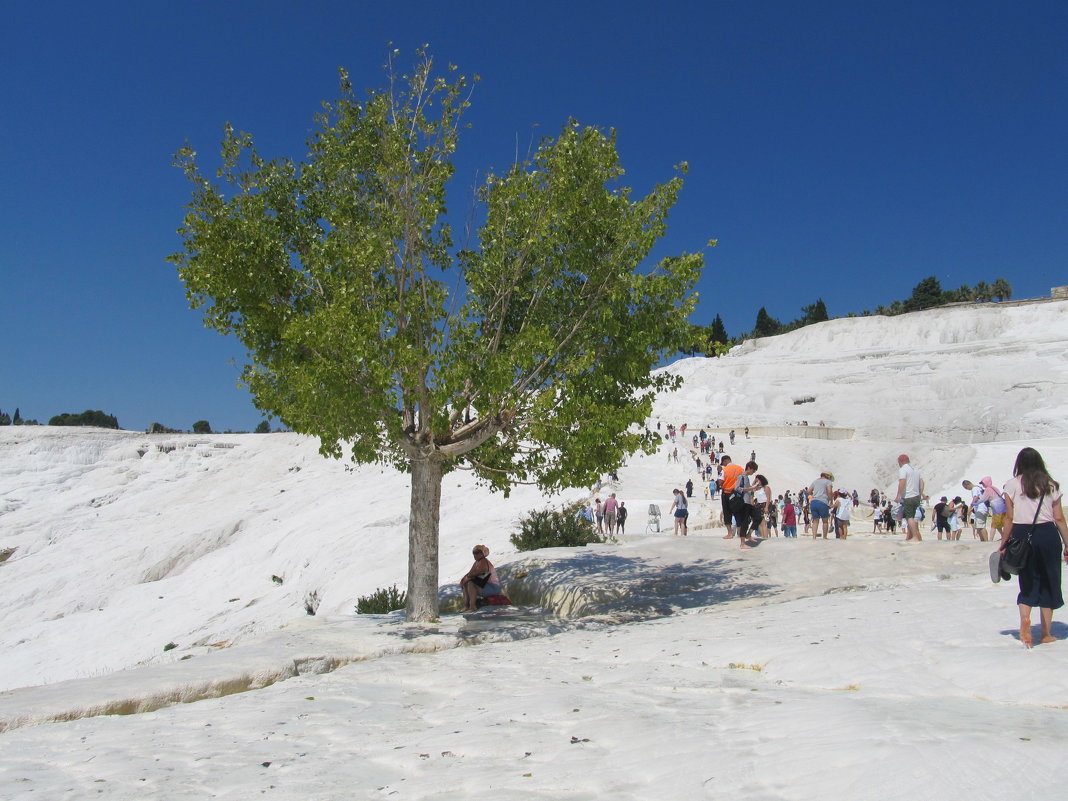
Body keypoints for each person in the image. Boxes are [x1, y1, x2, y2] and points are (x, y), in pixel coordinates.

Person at [998, 447, 1068, 646]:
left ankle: (1025, 621)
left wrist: (1003, 544)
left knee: (1027, 581)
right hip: (1047, 534)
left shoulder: (1011, 485)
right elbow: (1059, 518)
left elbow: (1009, 518)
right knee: (1049, 579)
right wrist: (1067, 544)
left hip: (1021, 534)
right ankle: (1046, 633)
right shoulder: (1050, 485)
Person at [460, 545, 501, 612]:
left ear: (482, 554)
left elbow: (477, 572)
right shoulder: (477, 562)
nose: (474, 555)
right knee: (466, 584)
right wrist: (463, 580)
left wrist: (466, 578)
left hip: (493, 587)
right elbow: (470, 573)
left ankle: (472, 606)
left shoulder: (484, 561)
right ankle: (466, 606)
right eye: (474, 552)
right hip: (484, 584)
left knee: (470, 583)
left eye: (477, 552)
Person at [895, 454, 924, 541]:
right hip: (916, 497)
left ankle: (914, 536)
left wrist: (898, 495)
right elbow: (922, 482)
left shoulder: (903, 469)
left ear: (901, 461)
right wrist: (920, 493)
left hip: (908, 496)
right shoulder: (916, 469)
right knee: (913, 517)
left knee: (909, 517)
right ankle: (911, 536)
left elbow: (902, 482)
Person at [809, 471, 834, 539]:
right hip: (822, 502)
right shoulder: (828, 482)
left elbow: (809, 491)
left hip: (813, 502)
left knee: (815, 521)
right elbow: (829, 491)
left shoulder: (815, 481)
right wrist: (830, 501)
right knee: (825, 521)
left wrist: (814, 494)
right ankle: (824, 537)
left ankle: (814, 537)